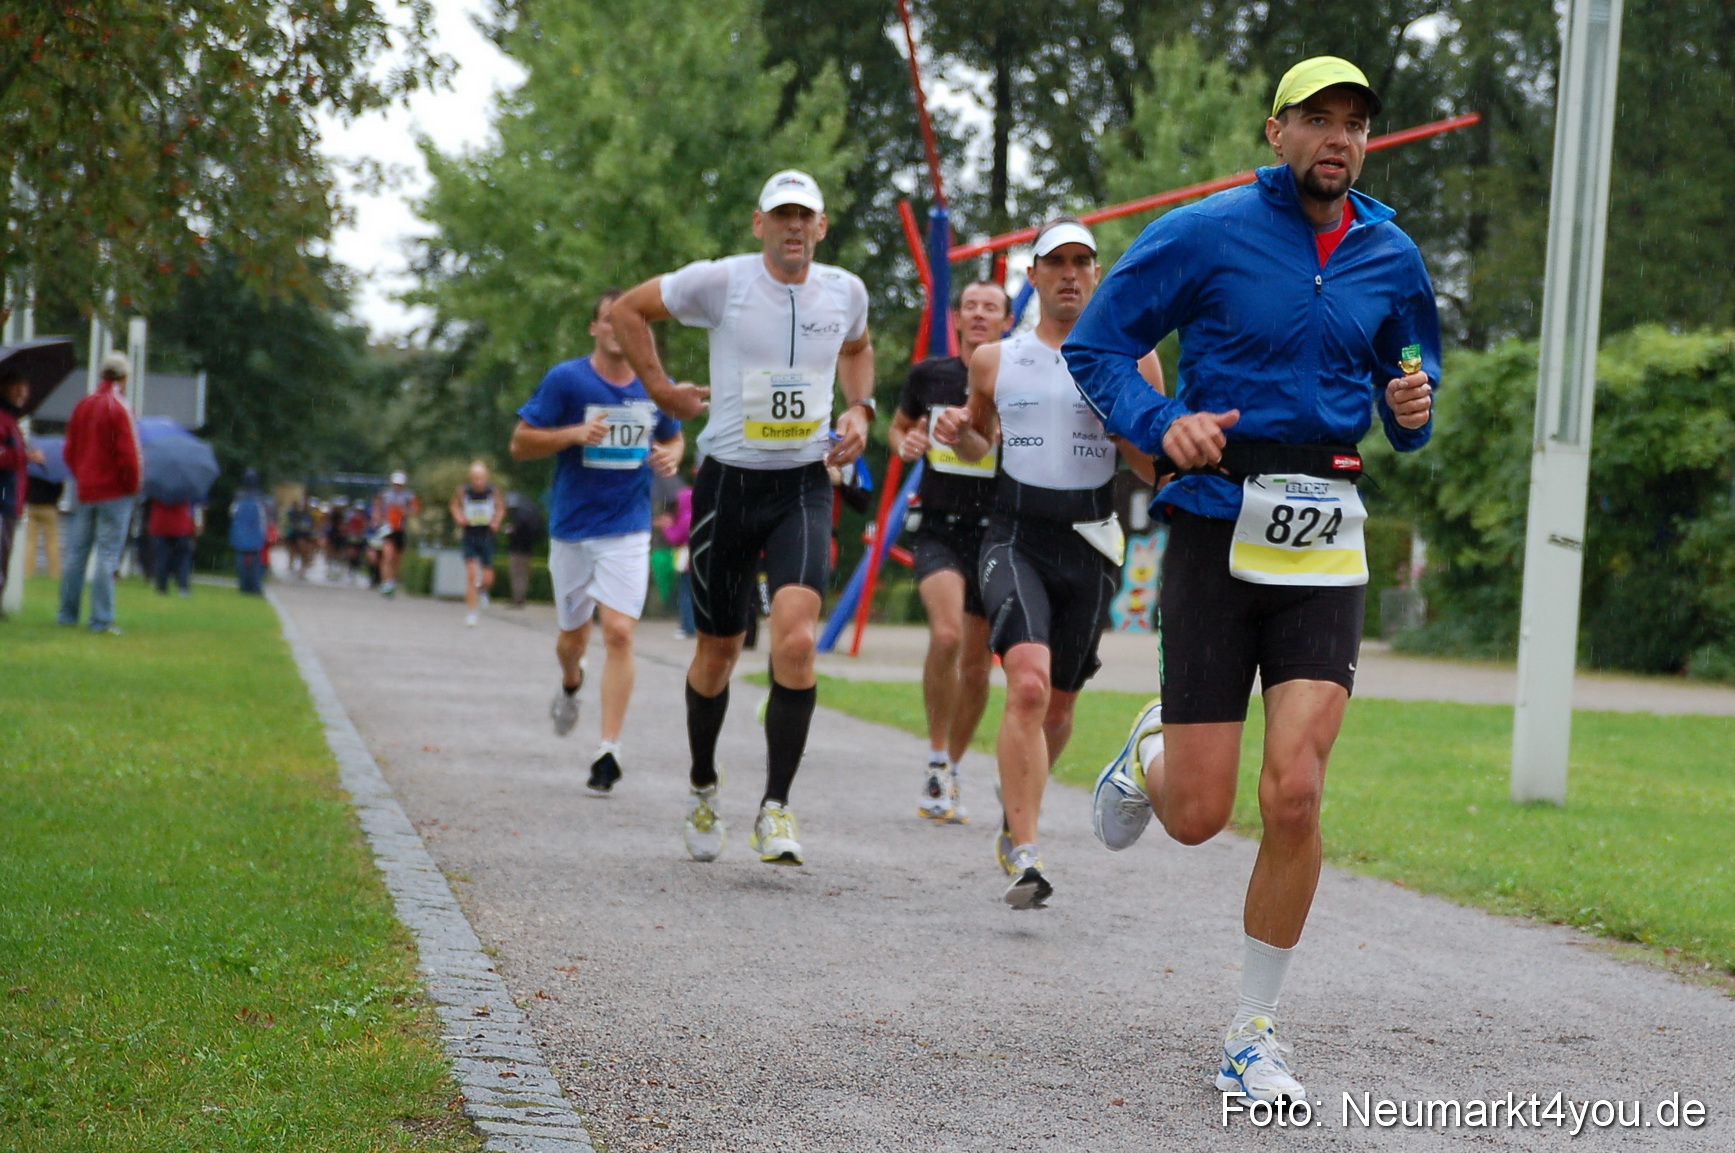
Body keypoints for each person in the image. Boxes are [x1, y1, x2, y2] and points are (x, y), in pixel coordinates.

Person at [1064, 57, 1439, 1105]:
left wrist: (1413, 407)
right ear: (1276, 131)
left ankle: (1252, 1033)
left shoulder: (1391, 252)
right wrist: (1158, 424)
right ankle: (1149, 751)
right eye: (1317, 118)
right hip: (1215, 523)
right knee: (1196, 813)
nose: (1338, 137)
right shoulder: (1203, 233)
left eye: (1354, 122)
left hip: (1325, 535)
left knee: (1296, 790)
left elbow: (1412, 368)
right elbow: (1096, 347)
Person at [611, 169, 873, 865]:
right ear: (760, 224)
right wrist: (661, 390)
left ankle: (775, 807)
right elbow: (629, 311)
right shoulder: (721, 282)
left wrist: (860, 409)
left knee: (796, 642)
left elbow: (857, 348)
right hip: (727, 486)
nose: (794, 227)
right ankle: (702, 783)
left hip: (803, 487)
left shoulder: (845, 291)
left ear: (822, 227)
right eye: (781, 215)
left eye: (805, 216)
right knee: (718, 653)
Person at [933, 218, 1159, 909]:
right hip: (1014, 537)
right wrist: (959, 434)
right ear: (1032, 276)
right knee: (1026, 686)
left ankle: (1015, 811)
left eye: (1080, 262)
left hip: (1091, 540)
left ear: (1096, 274)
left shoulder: (1133, 358)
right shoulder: (994, 360)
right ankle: (1026, 852)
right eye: (1054, 262)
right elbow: (979, 443)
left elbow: (1151, 465)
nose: (1068, 273)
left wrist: (1132, 427)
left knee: (1058, 704)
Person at [510, 288, 684, 794]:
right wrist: (571, 434)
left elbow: (673, 434)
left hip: (628, 527)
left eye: (626, 321)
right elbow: (520, 443)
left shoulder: (655, 383)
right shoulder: (567, 380)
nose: (616, 328)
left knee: (621, 633)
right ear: (595, 328)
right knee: (573, 640)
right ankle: (571, 683)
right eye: (607, 320)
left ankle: (609, 750)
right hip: (572, 528)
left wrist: (673, 453)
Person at [888, 281, 1013, 823]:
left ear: (1007, 321)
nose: (980, 314)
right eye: (972, 306)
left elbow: (1008, 441)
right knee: (945, 634)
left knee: (978, 666)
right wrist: (907, 443)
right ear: (956, 318)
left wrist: (986, 433)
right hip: (939, 525)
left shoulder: (1016, 375)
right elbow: (898, 427)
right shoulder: (929, 376)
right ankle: (936, 757)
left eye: (992, 307)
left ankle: (952, 769)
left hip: (995, 530)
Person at [58, 351, 142, 634]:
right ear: (125, 377)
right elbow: (129, 455)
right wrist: (132, 486)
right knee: (107, 555)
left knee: (77, 553)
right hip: (114, 491)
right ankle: (101, 619)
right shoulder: (119, 407)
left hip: (86, 489)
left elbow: (69, 450)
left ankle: (67, 614)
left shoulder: (83, 405)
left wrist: (82, 475)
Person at [0, 369, 45, 614]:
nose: (23, 392)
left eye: (25, 386)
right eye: (17, 385)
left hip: (11, 501)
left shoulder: (11, 420)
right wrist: (24, 456)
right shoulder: (2, 419)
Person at [450, 461, 506, 627]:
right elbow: (454, 506)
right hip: (470, 535)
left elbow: (500, 508)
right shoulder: (464, 491)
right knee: (472, 575)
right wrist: (459, 517)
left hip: (486, 535)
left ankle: (482, 590)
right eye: (475, 478)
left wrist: (496, 521)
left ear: (486, 478)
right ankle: (472, 612)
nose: (478, 482)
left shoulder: (492, 491)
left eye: (481, 478)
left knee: (488, 578)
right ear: (471, 478)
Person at [373, 470, 420, 595]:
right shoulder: (385, 495)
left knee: (397, 558)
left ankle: (392, 581)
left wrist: (405, 511)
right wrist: (379, 520)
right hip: (387, 529)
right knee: (387, 555)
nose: (397, 486)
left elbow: (416, 510)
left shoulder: (409, 496)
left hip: (400, 529)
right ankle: (385, 582)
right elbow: (377, 508)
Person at [502, 491, 546, 608]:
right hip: (527, 548)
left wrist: (511, 531)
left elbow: (518, 529)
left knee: (517, 574)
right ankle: (520, 597)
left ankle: (517, 599)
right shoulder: (530, 511)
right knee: (523, 574)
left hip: (517, 548)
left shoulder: (518, 515)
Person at [229, 469, 269, 595]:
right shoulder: (259, 498)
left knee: (241, 561)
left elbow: (232, 513)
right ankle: (255, 586)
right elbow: (263, 518)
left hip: (240, 533)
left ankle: (244, 586)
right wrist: (265, 533)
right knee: (256, 562)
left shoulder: (238, 497)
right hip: (256, 533)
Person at [149, 499, 197, 595]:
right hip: (181, 526)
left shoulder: (158, 492)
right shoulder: (185, 492)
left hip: (161, 525)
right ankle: (183, 586)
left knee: (161, 558)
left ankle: (162, 587)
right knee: (183, 558)